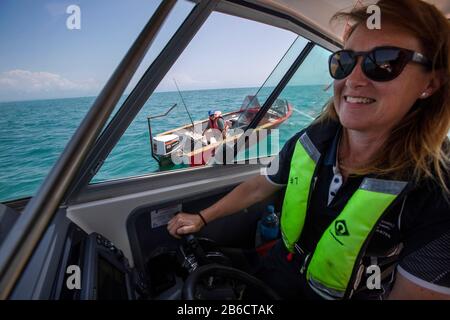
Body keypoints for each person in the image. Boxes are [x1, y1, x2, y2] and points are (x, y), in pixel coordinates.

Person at [168, 0, 450, 300]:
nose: (353, 80)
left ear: (430, 83)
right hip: (277, 272)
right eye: (344, 61)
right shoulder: (315, 138)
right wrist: (202, 218)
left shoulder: (437, 193)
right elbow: (260, 186)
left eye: (384, 62)